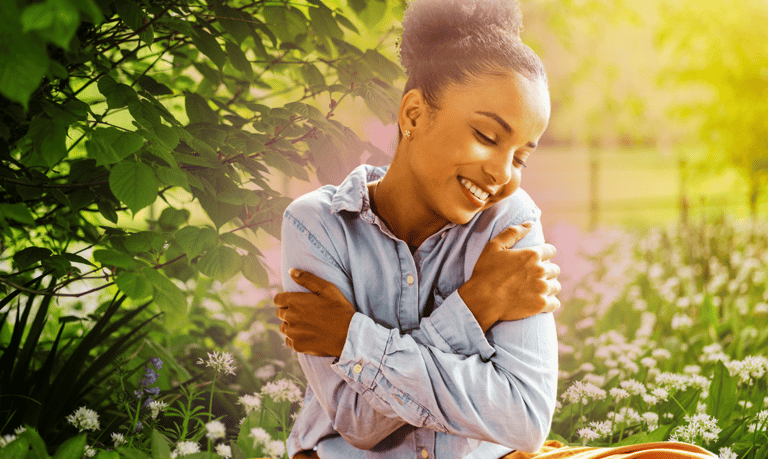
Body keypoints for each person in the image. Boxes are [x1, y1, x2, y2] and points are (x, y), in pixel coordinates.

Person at [273, 1, 717, 458]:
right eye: (487, 136)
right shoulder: (317, 226)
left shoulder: (509, 219)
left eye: (521, 156)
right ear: (413, 115)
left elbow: (524, 417)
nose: (504, 174)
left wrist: (355, 339)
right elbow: (359, 422)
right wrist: (475, 306)